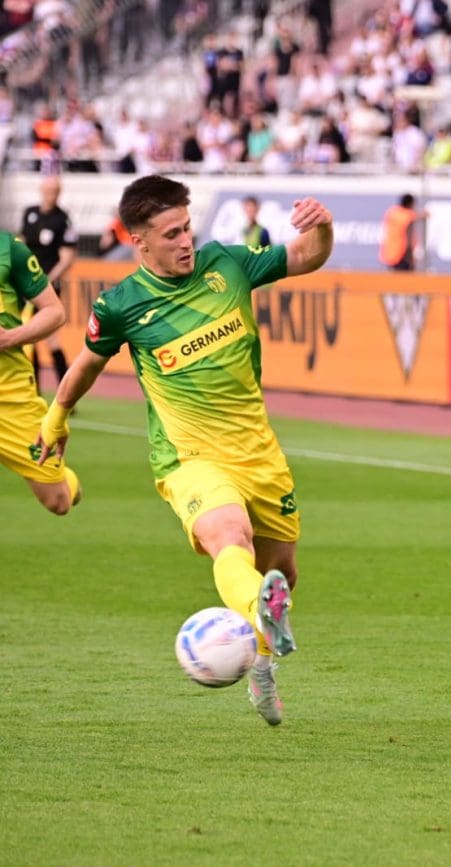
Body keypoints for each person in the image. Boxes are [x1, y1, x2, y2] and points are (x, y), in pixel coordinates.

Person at [36, 175, 334, 727]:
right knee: (229, 536)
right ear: (139, 241)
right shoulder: (122, 305)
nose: (185, 241)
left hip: (259, 454)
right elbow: (87, 364)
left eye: (187, 228)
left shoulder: (227, 264)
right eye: (171, 234)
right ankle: (259, 611)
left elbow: (305, 256)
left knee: (283, 573)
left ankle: (261, 662)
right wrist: (56, 417)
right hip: (189, 458)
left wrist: (324, 227)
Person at [0, 230, 82, 515]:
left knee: (58, 501)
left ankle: (66, 480)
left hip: (9, 393)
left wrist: (9, 338)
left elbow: (54, 312)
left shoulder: (9, 249)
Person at [21, 176, 78, 391]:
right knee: (28, 338)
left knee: (51, 339)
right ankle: (33, 392)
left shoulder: (63, 220)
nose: (50, 195)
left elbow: (67, 258)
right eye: (47, 190)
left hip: (48, 289)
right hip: (26, 287)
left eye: (55, 191)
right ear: (41, 190)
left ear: (59, 193)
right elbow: (22, 246)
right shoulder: (30, 213)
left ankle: (67, 392)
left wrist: (45, 281)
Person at [379, 193, 422, 271]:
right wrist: (411, 258)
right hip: (402, 254)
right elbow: (408, 240)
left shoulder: (392, 212)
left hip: (390, 252)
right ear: (410, 203)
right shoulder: (407, 216)